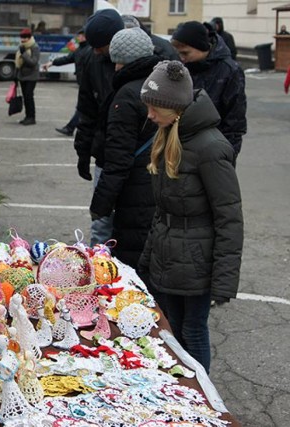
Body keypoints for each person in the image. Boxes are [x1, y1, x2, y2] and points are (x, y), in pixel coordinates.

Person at [138, 60, 243, 373]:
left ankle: (202, 398)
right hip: (168, 255)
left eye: (155, 108)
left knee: (193, 330)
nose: (150, 115)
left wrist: (223, 280)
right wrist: (148, 256)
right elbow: (164, 209)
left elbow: (229, 218)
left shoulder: (211, 148)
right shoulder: (168, 137)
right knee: (170, 329)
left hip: (197, 262)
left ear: (176, 108)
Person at [89, 28, 159, 269]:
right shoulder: (158, 85)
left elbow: (118, 158)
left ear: (125, 61)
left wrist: (100, 204)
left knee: (131, 257)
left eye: (116, 61)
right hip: (157, 183)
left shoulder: (128, 95)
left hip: (136, 190)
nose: (114, 67)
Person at [73, 8, 124, 246]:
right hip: (105, 153)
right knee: (101, 218)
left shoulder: (151, 57)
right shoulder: (93, 60)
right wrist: (83, 152)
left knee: (132, 218)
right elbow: (87, 110)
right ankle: (100, 267)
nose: (95, 51)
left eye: (99, 46)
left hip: (140, 157)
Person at [171, 21, 247, 158]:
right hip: (182, 146)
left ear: (201, 47)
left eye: (185, 53)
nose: (181, 58)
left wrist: (226, 155)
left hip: (215, 148)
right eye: (179, 53)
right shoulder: (183, 66)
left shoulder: (229, 71)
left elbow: (235, 121)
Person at [42, 30, 91, 136]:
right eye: (79, 35)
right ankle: (71, 128)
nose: (80, 37)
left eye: (82, 35)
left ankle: (70, 128)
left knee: (82, 108)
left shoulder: (90, 49)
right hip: (83, 84)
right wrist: (52, 63)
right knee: (83, 108)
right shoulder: (80, 49)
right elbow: (67, 59)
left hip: (89, 85)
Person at [14, 28, 40, 126]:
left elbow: (33, 62)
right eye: (22, 38)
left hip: (31, 76)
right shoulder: (22, 46)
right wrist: (15, 75)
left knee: (29, 97)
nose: (23, 40)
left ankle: (31, 117)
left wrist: (24, 53)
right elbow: (18, 62)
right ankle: (27, 116)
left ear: (29, 38)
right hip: (22, 76)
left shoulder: (34, 47)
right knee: (25, 97)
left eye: (25, 38)